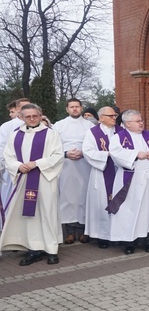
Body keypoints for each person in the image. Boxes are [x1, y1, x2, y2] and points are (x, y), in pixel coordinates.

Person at [0, 103, 64, 265]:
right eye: (28, 116)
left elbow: (57, 156)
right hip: (23, 180)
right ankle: (33, 249)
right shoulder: (16, 135)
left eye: (35, 115)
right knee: (29, 216)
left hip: (44, 180)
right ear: (21, 117)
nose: (32, 119)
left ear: (40, 115)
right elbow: (8, 156)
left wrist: (36, 163)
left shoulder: (50, 134)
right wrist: (18, 166)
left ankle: (51, 250)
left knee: (47, 213)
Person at [107, 109, 149, 254]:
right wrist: (136, 154)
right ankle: (129, 242)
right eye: (138, 121)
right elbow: (115, 152)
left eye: (141, 120)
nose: (141, 123)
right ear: (128, 124)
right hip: (131, 181)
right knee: (130, 209)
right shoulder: (119, 137)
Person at [53, 98, 95, 244]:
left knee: (84, 196)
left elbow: (93, 144)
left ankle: (83, 230)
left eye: (77, 106)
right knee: (67, 197)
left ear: (81, 108)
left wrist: (83, 152)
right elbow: (54, 145)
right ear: (67, 109)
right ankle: (69, 232)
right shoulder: (59, 126)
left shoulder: (89, 126)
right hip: (66, 165)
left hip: (85, 164)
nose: (75, 109)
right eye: (72, 107)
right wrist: (66, 153)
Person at [82, 106, 123, 248]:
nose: (114, 118)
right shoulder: (92, 133)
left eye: (115, 115)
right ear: (101, 118)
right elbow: (87, 151)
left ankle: (119, 233)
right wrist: (107, 155)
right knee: (101, 203)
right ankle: (103, 236)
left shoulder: (122, 131)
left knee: (121, 201)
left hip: (120, 171)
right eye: (110, 116)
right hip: (102, 172)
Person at [0, 98, 30, 212]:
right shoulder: (7, 127)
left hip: (32, 168)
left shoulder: (38, 124)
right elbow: (2, 147)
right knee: (10, 199)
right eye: (24, 107)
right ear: (17, 109)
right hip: (12, 169)